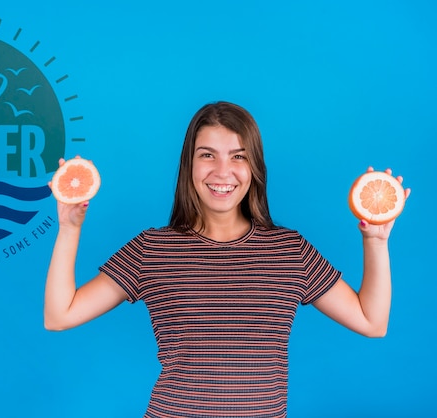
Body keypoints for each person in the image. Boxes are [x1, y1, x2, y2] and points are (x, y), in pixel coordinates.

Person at [44, 101, 410, 417]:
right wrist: (69, 227)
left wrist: (375, 240)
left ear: (254, 169)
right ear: (189, 164)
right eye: (207, 155)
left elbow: (371, 321)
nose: (223, 172)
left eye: (238, 156)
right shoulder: (152, 249)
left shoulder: (290, 250)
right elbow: (60, 315)